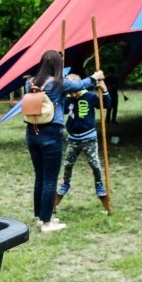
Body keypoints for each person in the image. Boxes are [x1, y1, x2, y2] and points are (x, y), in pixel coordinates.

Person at [24, 50, 103, 232]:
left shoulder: (30, 83)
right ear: (57, 65)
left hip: (32, 134)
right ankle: (46, 222)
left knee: (40, 177)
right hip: (51, 134)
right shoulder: (59, 83)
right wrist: (95, 77)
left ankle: (40, 216)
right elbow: (80, 85)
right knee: (51, 178)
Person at [56, 74, 110, 204]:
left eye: (75, 91)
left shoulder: (90, 96)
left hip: (88, 138)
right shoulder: (67, 99)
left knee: (94, 164)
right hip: (73, 139)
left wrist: (104, 89)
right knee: (68, 164)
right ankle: (66, 183)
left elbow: (107, 104)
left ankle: (99, 183)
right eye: (70, 91)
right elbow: (60, 110)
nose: (73, 94)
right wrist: (60, 94)